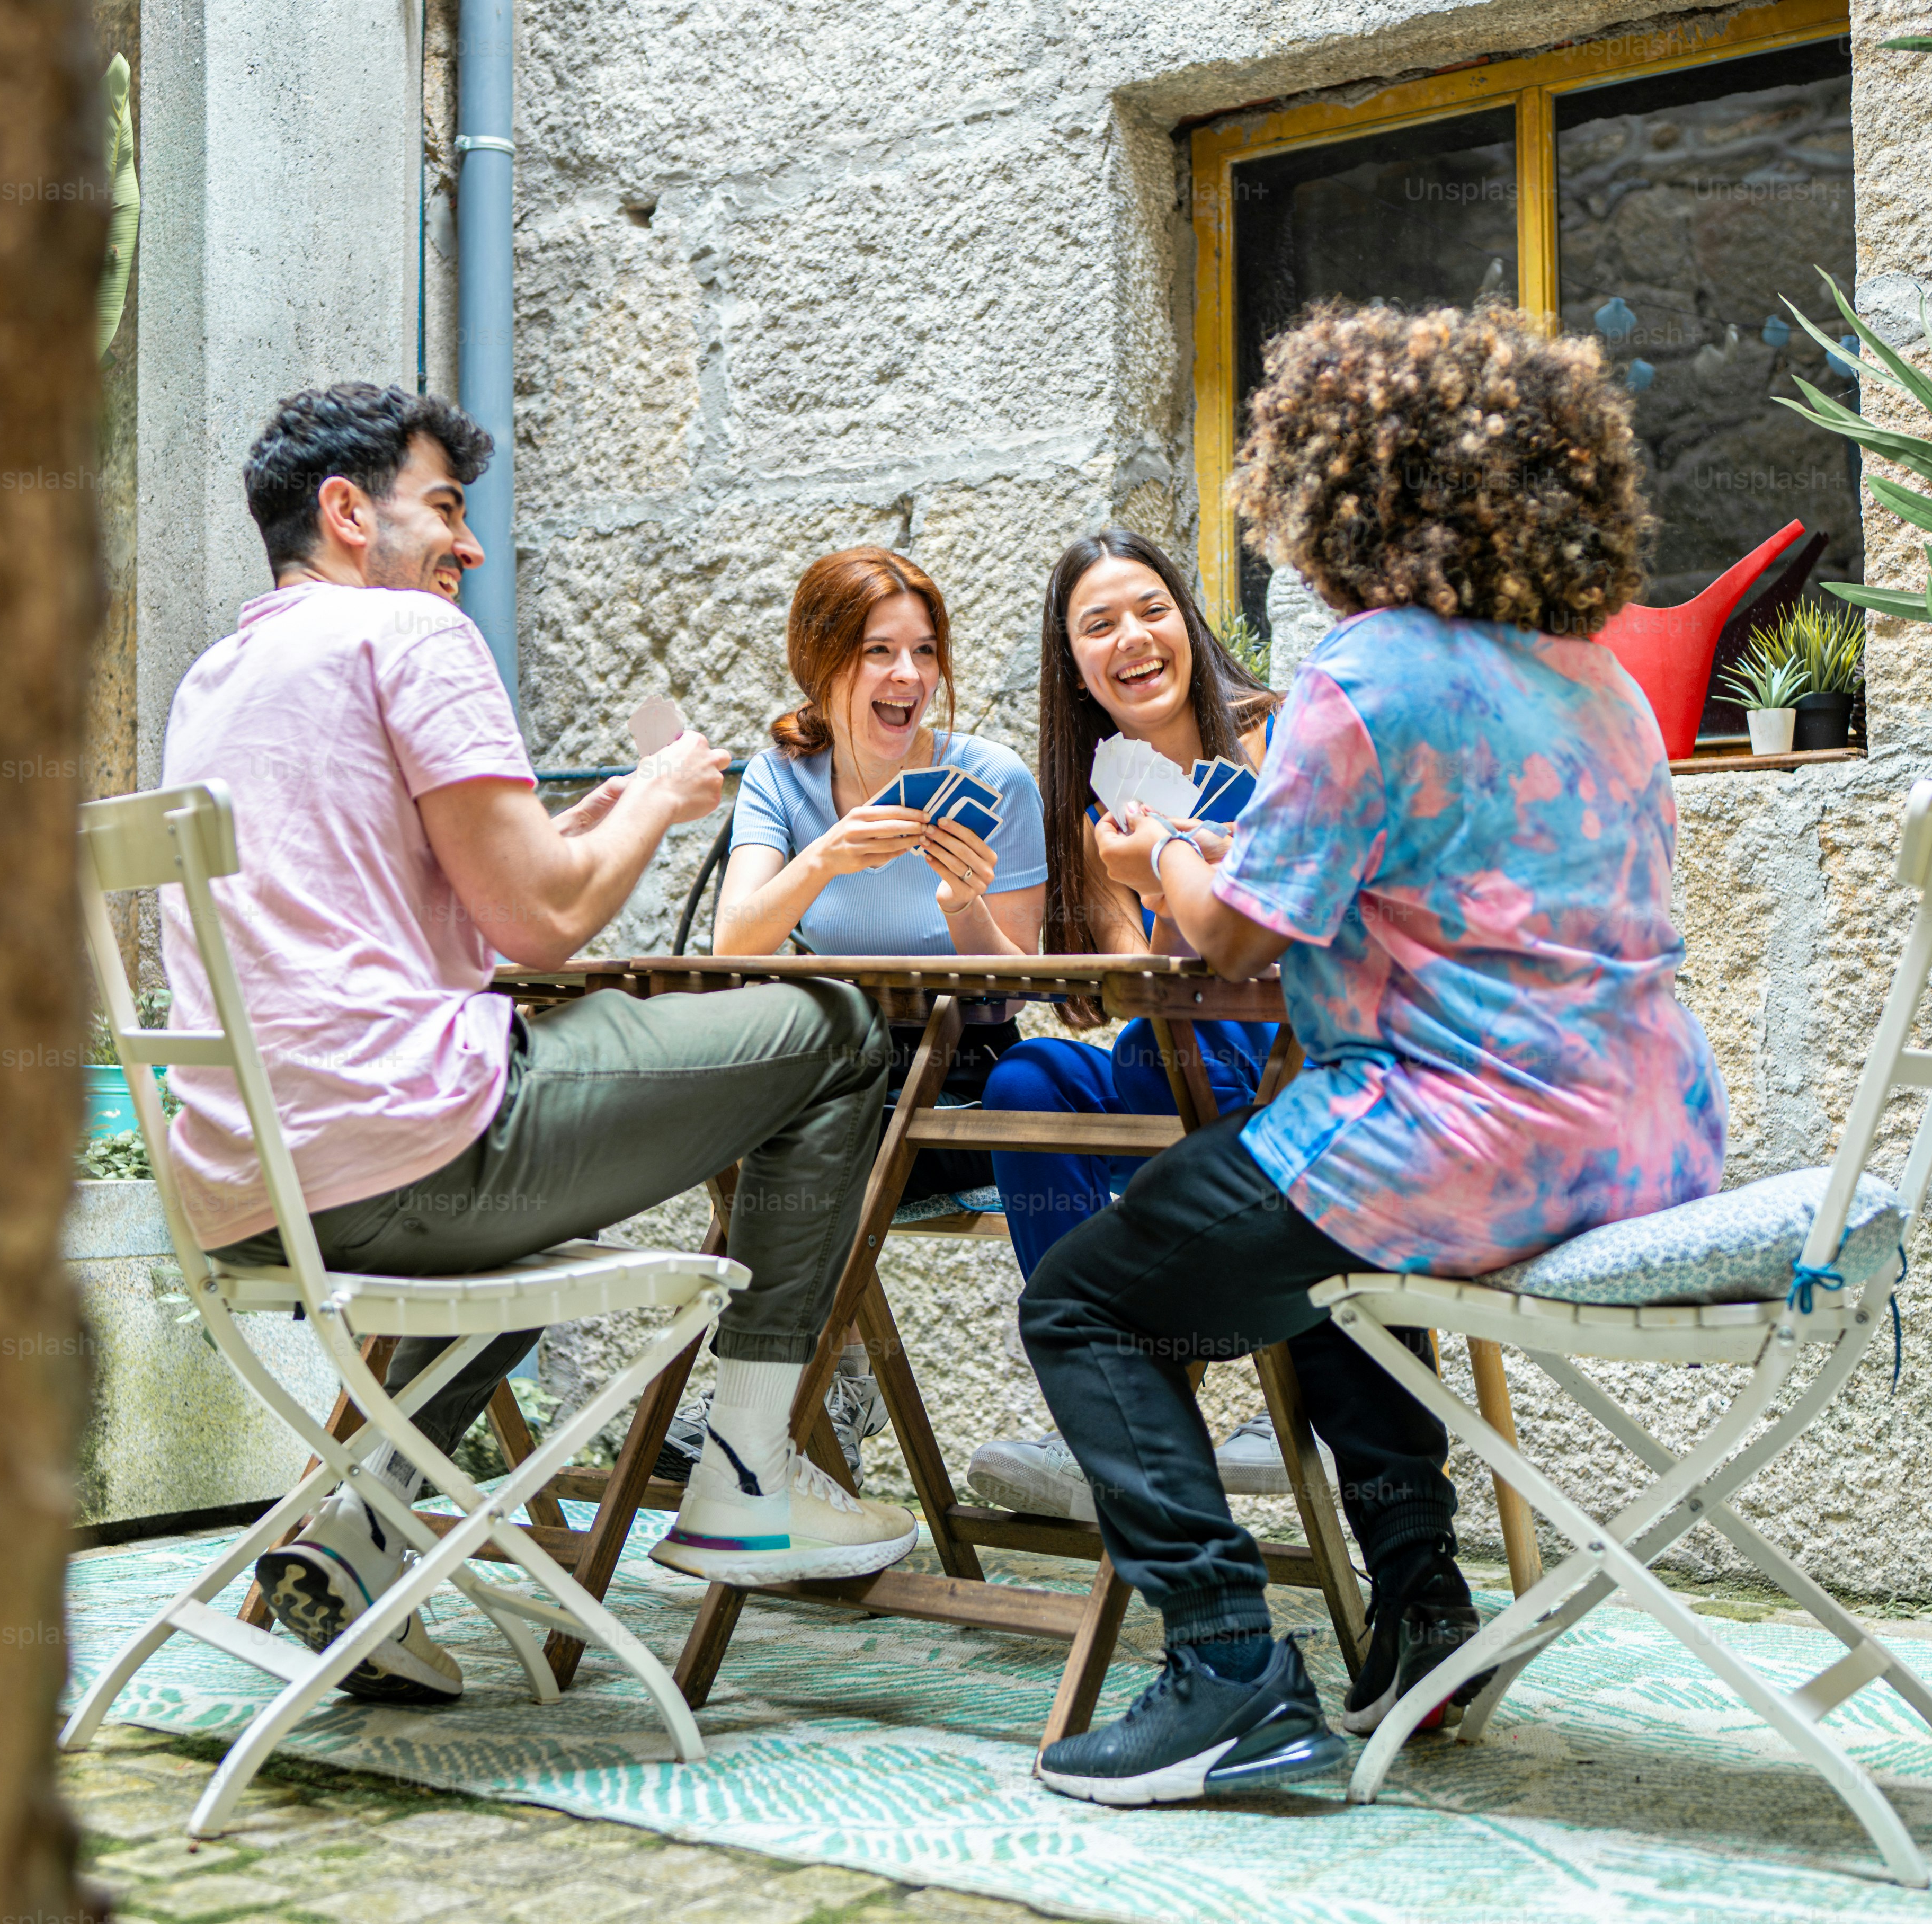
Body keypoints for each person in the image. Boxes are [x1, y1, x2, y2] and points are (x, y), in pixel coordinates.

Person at [1021, 307, 1728, 1804]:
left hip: (1459, 1146)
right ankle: (1417, 1604)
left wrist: (1159, 860)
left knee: (1082, 1300)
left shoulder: (1365, 675)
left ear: (1338, 494)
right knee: (1306, 1246)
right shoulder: (1597, 678)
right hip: (1648, 1142)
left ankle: (1225, 1666)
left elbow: (1232, 943)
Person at [156, 384, 920, 1709]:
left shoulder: (216, 680)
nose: (471, 547)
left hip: (243, 1193)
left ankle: (362, 1527)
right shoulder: (412, 633)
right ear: (347, 514)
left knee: (527, 1234)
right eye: (445, 509)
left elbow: (456, 893)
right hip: (412, 1161)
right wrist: (671, 801)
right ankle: (748, 1469)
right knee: (842, 1028)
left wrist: (609, 815)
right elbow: (549, 921)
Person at [963, 529, 1298, 1519]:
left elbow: (1272, 939)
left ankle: (1157, 1376)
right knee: (1020, 1085)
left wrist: (1169, 868)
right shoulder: (1090, 808)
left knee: (1162, 1050)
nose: (1133, 639)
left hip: (1288, 1061)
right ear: (1072, 667)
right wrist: (1142, 882)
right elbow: (1131, 988)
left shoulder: (1276, 741)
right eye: (1097, 625)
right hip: (1172, 1051)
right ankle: (1111, 1403)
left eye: (1150, 610)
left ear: (1187, 624)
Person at [714, 546, 1050, 1216]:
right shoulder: (778, 777)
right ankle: (800, 1320)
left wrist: (963, 907)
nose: (911, 675)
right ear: (821, 660)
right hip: (834, 1065)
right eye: (879, 651)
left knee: (790, 1162)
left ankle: (783, 1319)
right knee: (743, 1128)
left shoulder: (997, 778)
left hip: (962, 1074)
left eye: (925, 651)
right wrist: (824, 859)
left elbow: (1014, 997)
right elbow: (733, 946)